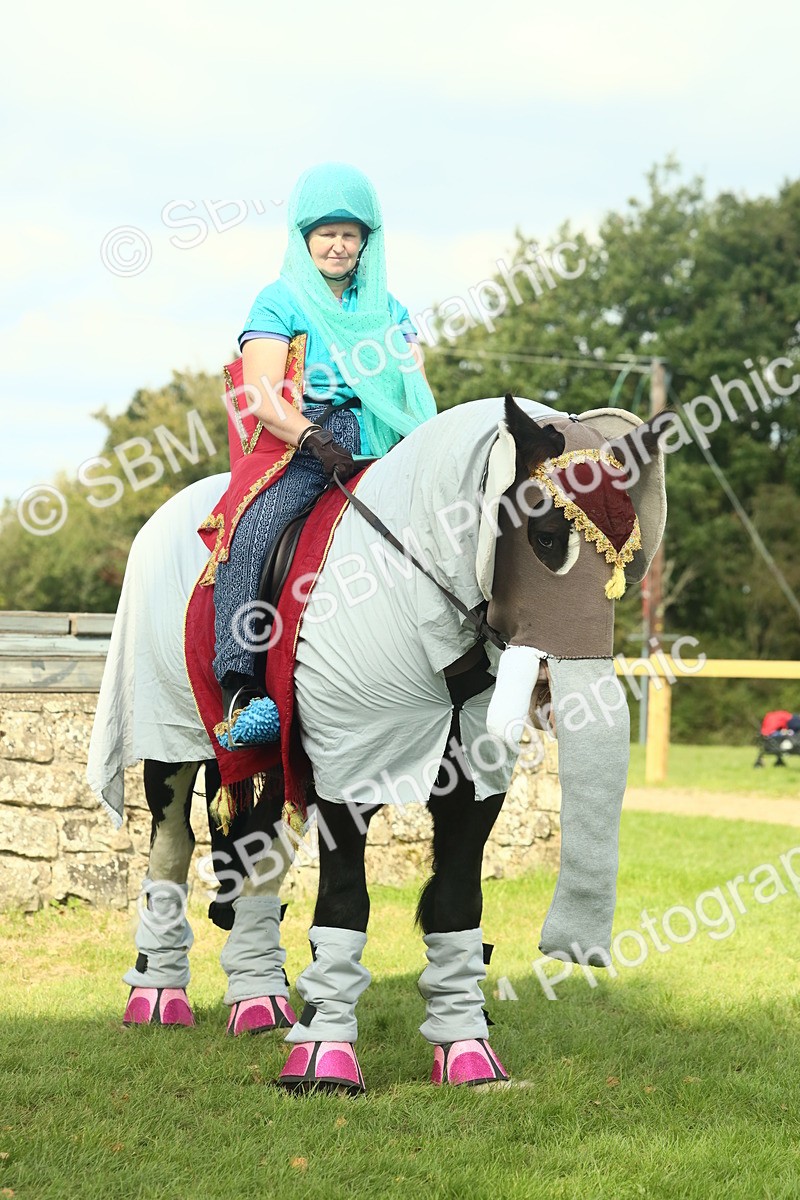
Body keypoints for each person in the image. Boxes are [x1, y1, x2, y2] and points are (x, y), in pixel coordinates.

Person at [211, 162, 437, 747]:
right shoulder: (278, 300)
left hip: (388, 435)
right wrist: (314, 438)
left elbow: (413, 387)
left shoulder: (390, 309)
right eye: (327, 233)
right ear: (305, 238)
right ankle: (242, 685)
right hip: (308, 436)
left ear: (366, 242)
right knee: (256, 523)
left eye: (350, 235)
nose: (339, 245)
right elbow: (262, 395)